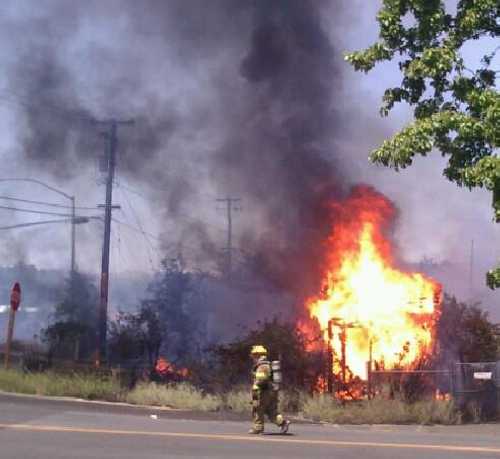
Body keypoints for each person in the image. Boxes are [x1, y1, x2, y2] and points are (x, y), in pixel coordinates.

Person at [248, 344, 290, 434]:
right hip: (270, 391)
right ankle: (283, 423)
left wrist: (256, 386)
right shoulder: (266, 365)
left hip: (263, 392)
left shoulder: (262, 366)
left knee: (258, 410)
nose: (253, 357)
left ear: (258, 355)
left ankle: (258, 428)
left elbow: (261, 379)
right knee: (271, 411)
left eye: (254, 355)